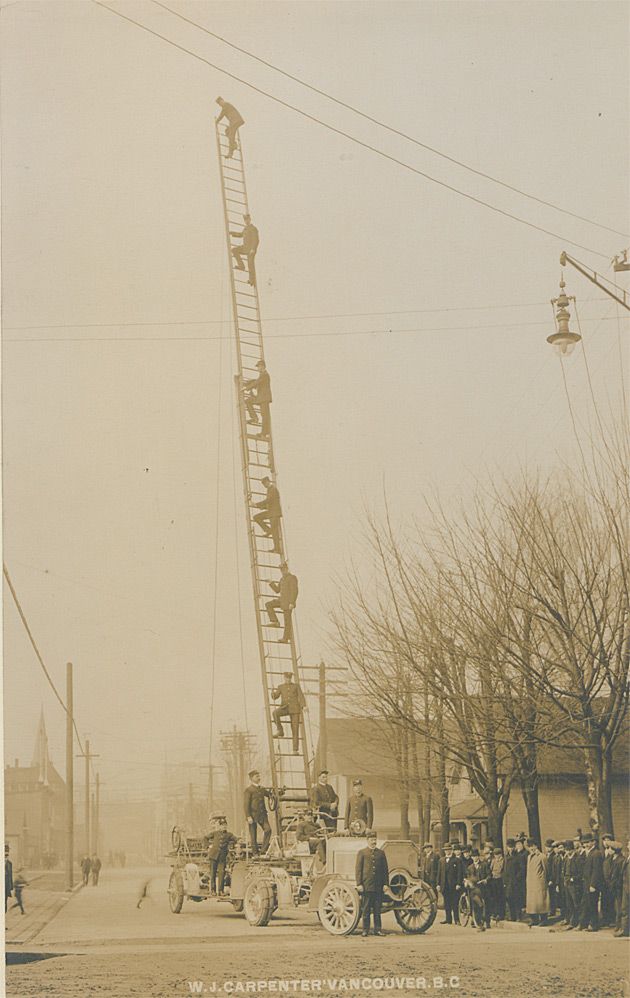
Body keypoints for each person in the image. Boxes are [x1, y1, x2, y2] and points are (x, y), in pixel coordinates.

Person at [355, 830, 388, 937]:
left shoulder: (381, 853)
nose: (374, 841)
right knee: (366, 909)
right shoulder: (362, 853)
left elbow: (385, 870)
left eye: (375, 839)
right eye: (372, 840)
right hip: (367, 885)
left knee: (377, 909)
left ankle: (378, 930)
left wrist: (385, 884)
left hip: (378, 886)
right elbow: (358, 870)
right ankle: (365, 930)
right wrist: (359, 884)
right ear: (367, 840)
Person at [272, 672, 306, 754]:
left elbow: (301, 696)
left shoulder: (296, 686)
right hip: (285, 708)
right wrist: (272, 693)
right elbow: (275, 696)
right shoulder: (281, 687)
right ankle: (280, 730)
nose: (288, 680)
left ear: (291, 678)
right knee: (275, 713)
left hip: (295, 710)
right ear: (284, 678)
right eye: (286, 678)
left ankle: (295, 749)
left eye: (289, 678)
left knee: (295, 729)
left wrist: (304, 706)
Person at [266, 562, 298, 644]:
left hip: (288, 603)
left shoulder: (292, 578)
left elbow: (294, 591)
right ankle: (275, 621)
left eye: (283, 569)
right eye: (281, 570)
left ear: (287, 569)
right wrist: (271, 583)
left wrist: (292, 602)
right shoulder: (282, 579)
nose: (282, 571)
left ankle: (285, 638)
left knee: (287, 621)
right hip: (282, 600)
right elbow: (277, 590)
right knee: (268, 604)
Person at [578, 833, 604, 931]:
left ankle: (594, 924)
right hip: (586, 883)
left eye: (588, 842)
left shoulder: (596, 853)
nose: (586, 845)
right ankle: (586, 923)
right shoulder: (587, 853)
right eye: (584, 843)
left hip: (592, 884)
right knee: (586, 904)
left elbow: (596, 870)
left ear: (593, 842)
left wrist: (593, 884)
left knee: (593, 904)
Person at [243, 769, 273, 855]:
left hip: (262, 815)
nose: (259, 778)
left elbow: (270, 795)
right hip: (252, 815)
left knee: (268, 830)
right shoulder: (248, 790)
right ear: (252, 778)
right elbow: (246, 805)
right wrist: (248, 816)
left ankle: (263, 851)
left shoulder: (262, 789)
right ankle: (255, 853)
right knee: (253, 835)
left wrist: (280, 792)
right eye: (257, 776)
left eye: (259, 776)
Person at [207, 816, 238, 895]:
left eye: (225, 825)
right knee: (213, 873)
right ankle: (213, 890)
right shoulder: (215, 833)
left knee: (222, 872)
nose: (224, 827)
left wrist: (238, 842)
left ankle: (221, 891)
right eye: (222, 825)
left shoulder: (229, 834)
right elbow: (204, 838)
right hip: (213, 855)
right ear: (219, 826)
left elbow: (236, 839)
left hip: (222, 857)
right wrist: (208, 846)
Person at [252, 477, 282, 553]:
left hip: (274, 513)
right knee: (256, 517)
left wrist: (257, 504)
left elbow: (268, 500)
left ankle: (277, 549)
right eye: (263, 484)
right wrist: (259, 506)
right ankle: (268, 530)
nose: (264, 485)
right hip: (271, 512)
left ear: (268, 481)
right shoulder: (269, 490)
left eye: (265, 483)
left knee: (275, 532)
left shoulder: (273, 489)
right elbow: (269, 503)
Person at [438, 842, 464, 925]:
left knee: (455, 903)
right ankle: (448, 919)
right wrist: (438, 884)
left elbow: (460, 873)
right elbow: (439, 873)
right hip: (444, 885)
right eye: (445, 850)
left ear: (451, 850)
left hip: (453, 885)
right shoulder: (441, 860)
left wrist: (458, 883)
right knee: (446, 903)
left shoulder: (457, 860)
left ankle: (457, 920)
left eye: (448, 850)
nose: (447, 852)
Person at [243, 360, 272, 438]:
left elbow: (257, 382)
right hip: (260, 398)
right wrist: (247, 384)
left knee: (264, 415)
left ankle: (264, 433)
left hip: (264, 398)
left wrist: (246, 388)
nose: (258, 368)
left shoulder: (265, 375)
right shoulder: (262, 375)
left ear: (262, 366)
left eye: (258, 367)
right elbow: (256, 381)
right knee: (248, 401)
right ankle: (254, 417)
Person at [230, 213, 259, 286]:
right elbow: (240, 235)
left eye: (247, 219)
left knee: (250, 264)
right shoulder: (245, 228)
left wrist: (253, 249)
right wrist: (231, 233)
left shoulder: (253, 228)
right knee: (234, 250)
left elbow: (256, 240)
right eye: (245, 220)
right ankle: (241, 266)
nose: (246, 221)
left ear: (250, 219)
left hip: (251, 250)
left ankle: (252, 280)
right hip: (245, 248)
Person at [465, 849, 491, 931]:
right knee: (476, 904)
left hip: (483, 887)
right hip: (474, 889)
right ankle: (476, 920)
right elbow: (468, 877)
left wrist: (486, 880)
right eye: (473, 856)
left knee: (486, 904)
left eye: (476, 856)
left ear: (478, 857)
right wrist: (468, 882)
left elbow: (489, 875)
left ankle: (487, 921)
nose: (474, 858)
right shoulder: (470, 867)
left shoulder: (484, 865)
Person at [526, 839, 549, 925]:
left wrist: (543, 880)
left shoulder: (542, 856)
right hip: (531, 882)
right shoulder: (529, 857)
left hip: (539, 883)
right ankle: (534, 919)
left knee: (541, 901)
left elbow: (546, 869)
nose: (531, 848)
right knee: (532, 903)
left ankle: (544, 919)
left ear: (536, 846)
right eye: (529, 846)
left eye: (533, 846)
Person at [614, 838, 630, 938]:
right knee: (624, 909)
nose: (628, 846)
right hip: (625, 887)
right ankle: (624, 929)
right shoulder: (627, 858)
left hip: (628, 887)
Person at [5, 844, 13, 913]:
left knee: (5, 901)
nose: (6, 856)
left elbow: (10, 875)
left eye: (7, 855)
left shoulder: (9, 863)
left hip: (6, 886)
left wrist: (11, 886)